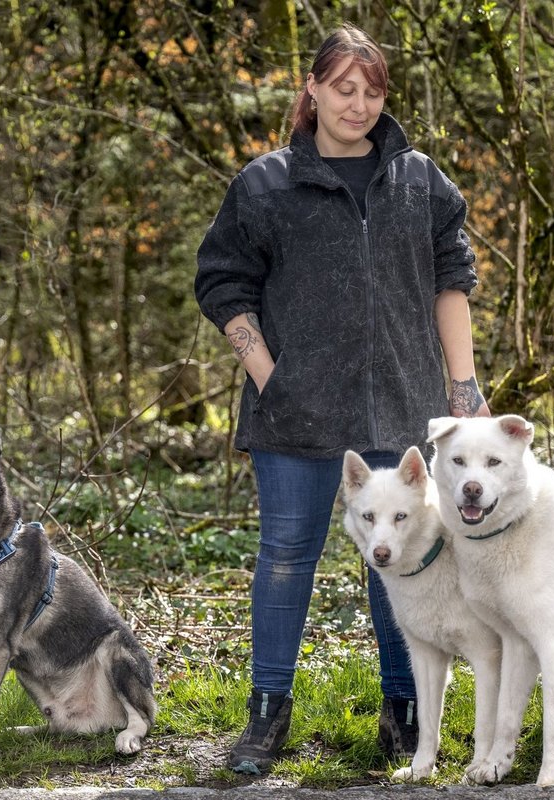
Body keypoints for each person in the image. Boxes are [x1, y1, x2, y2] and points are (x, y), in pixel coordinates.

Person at [193, 22, 490, 774]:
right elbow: (223, 283)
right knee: (287, 556)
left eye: (372, 90)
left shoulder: (420, 180)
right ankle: (266, 716)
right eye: (343, 88)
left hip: (401, 403)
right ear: (314, 91)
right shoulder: (265, 184)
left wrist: (464, 389)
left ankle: (406, 712)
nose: (357, 104)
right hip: (294, 415)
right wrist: (269, 375)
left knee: (403, 557)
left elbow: (452, 280)